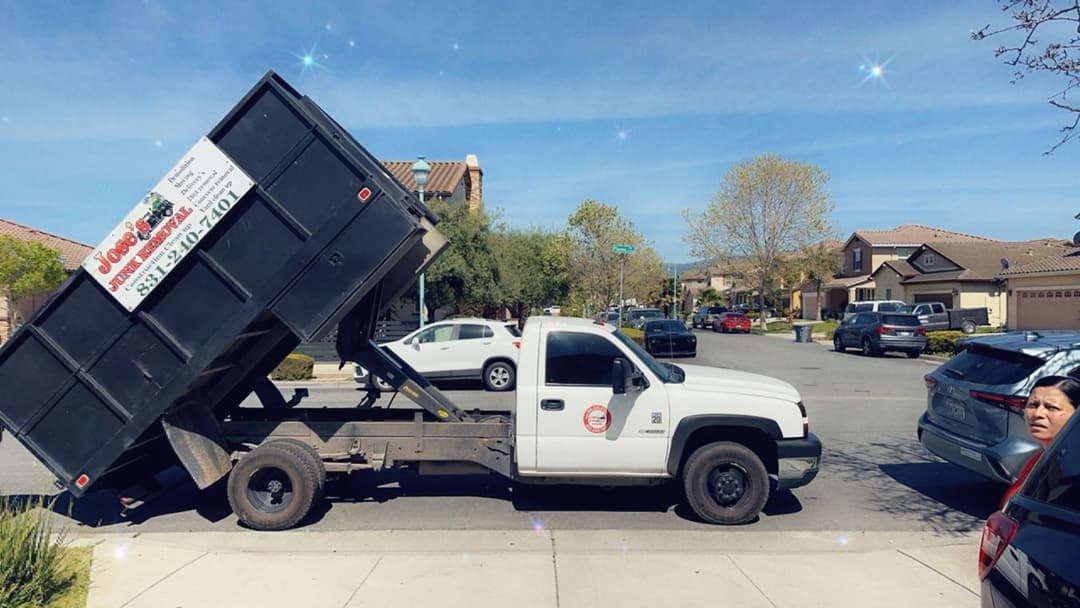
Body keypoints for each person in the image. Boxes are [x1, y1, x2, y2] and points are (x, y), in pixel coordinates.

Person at [1000, 375, 1080, 507]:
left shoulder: (1074, 469)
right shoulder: (1038, 459)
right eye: (1033, 405)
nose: (1038, 414)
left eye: (1051, 407)